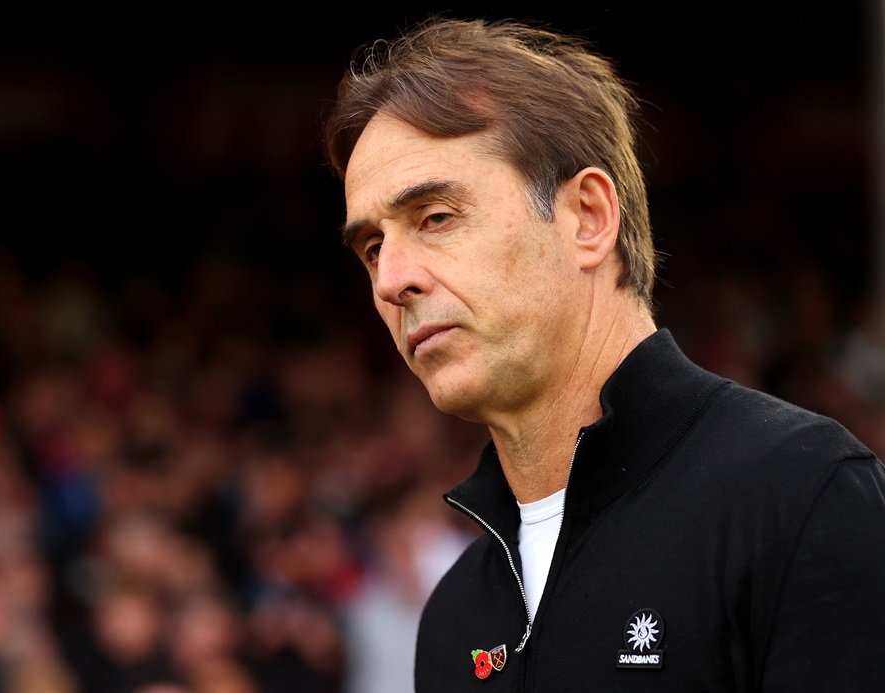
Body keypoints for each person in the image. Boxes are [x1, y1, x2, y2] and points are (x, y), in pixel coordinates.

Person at [320, 15, 885, 692]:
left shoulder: (804, 497)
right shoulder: (453, 615)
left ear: (588, 216)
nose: (390, 280)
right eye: (373, 247)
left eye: (435, 217)